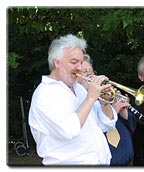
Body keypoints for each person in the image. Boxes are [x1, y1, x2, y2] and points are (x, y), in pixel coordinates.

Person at [28, 34, 118, 165]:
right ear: (57, 62)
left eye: (81, 62)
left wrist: (104, 103)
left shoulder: (79, 89)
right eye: (74, 62)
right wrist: (91, 97)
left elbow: (105, 125)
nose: (79, 68)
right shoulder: (44, 94)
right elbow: (68, 130)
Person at [78, 54, 137, 165]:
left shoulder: (103, 95)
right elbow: (96, 129)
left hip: (126, 160)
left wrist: (109, 104)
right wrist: (113, 109)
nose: (89, 74)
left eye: (91, 70)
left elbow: (129, 127)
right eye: (84, 71)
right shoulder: (80, 101)